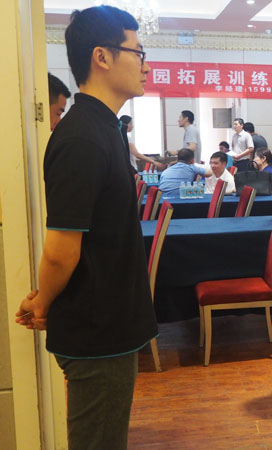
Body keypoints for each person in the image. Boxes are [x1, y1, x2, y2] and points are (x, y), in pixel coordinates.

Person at [15, 6, 158, 450]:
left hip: (111, 326)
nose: (145, 64)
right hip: (98, 334)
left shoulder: (104, 128)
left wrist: (45, 299)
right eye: (137, 52)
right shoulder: (82, 138)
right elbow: (62, 250)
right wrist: (43, 301)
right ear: (102, 56)